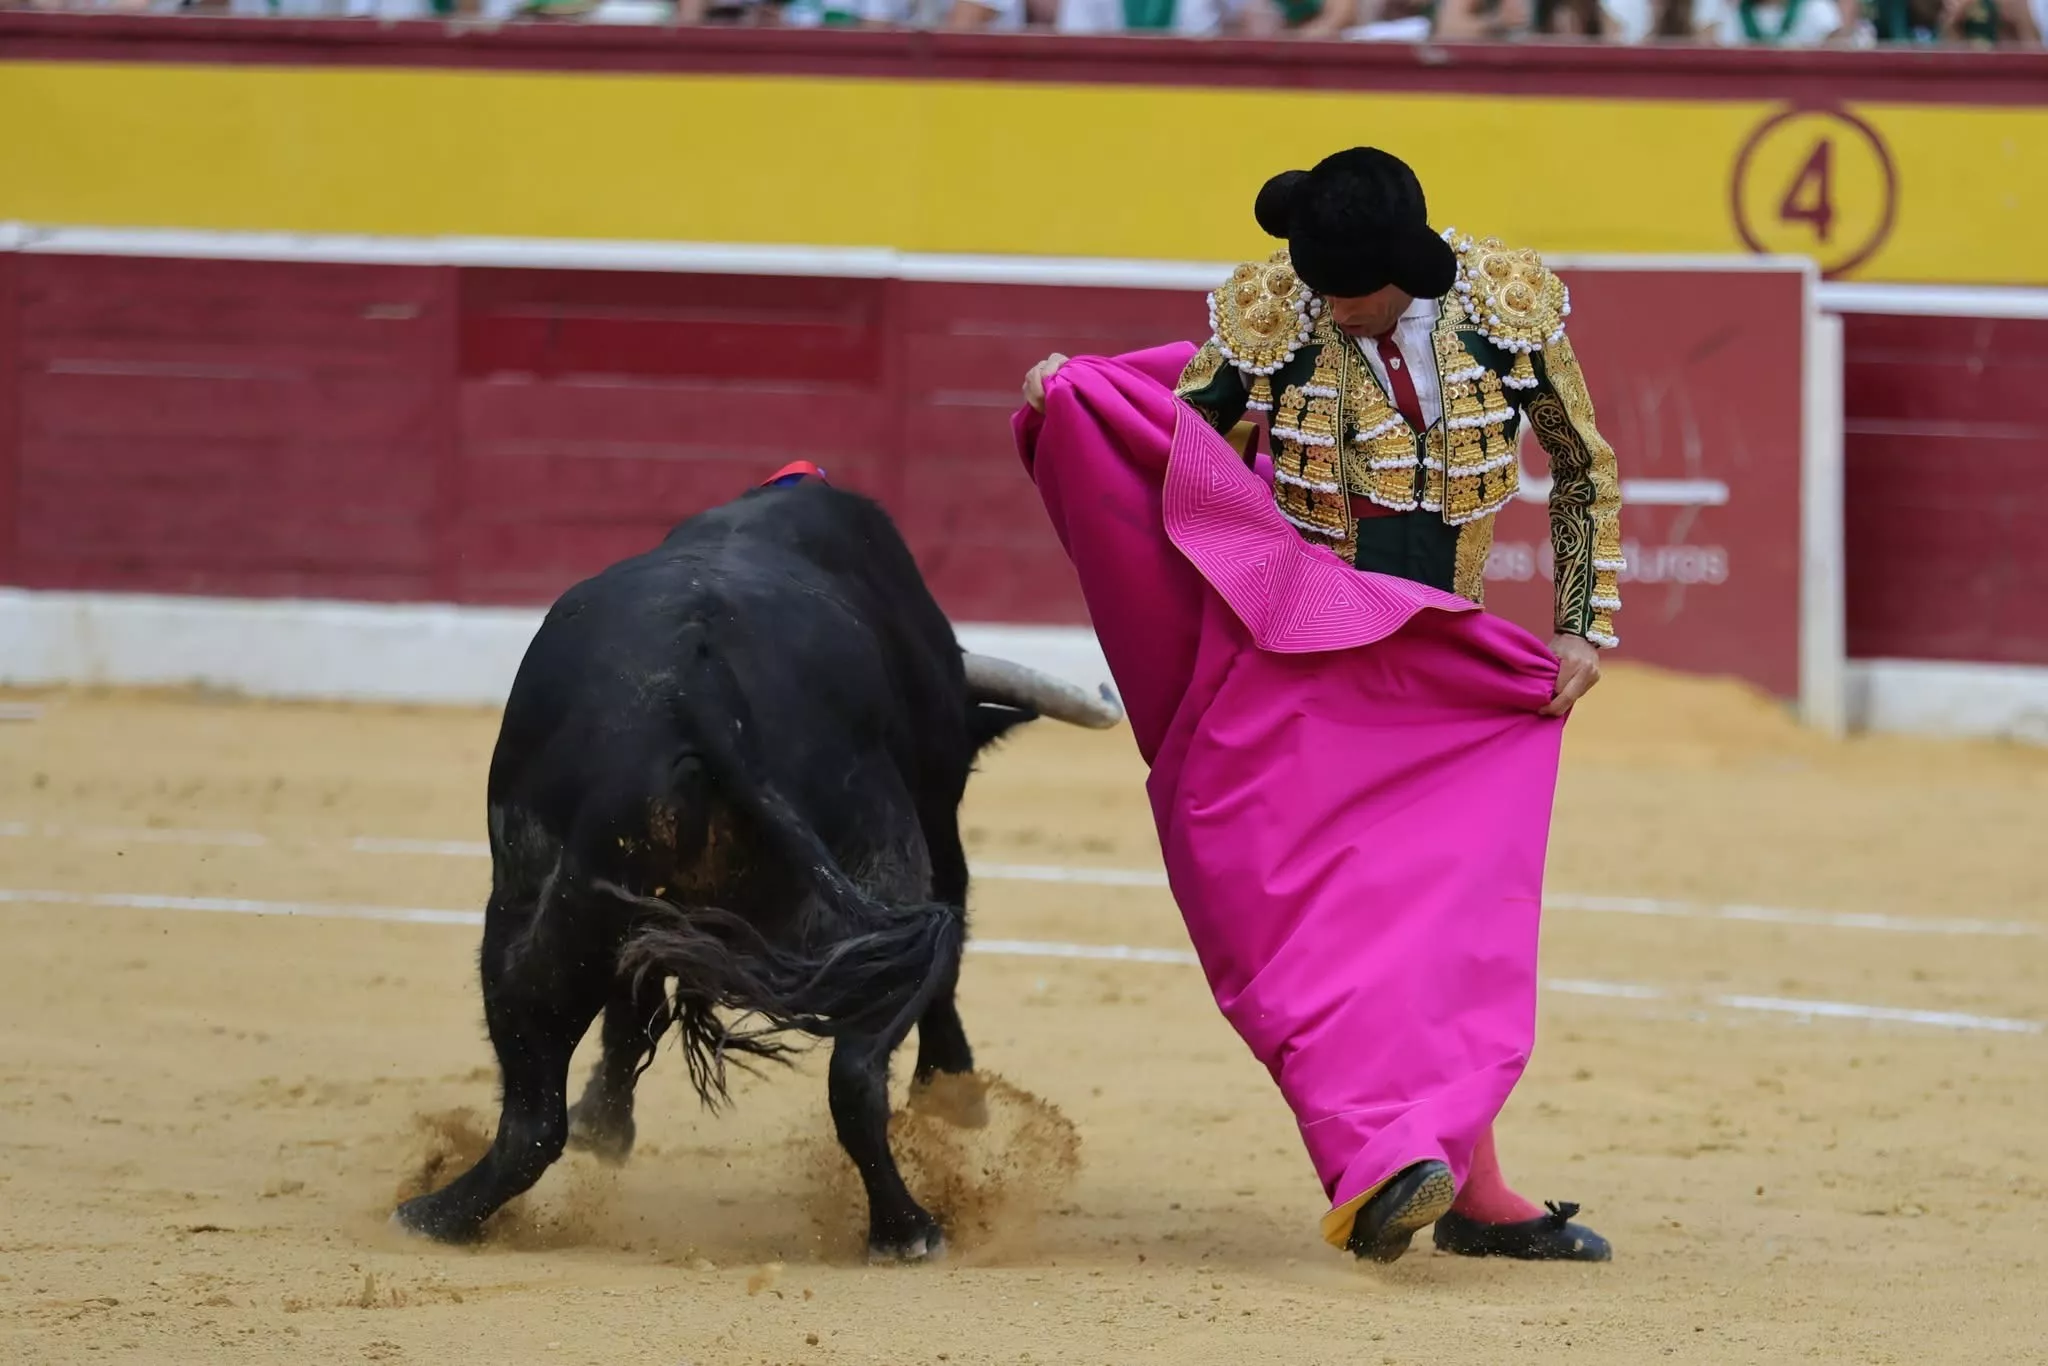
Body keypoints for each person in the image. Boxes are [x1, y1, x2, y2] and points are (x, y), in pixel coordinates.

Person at [1017, 146, 1617, 1264]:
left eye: (1355, 296)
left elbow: (1583, 467)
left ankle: (1456, 1183)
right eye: (1321, 292)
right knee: (1310, 924)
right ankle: (1388, 1160)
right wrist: (1076, 395)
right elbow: (1165, 444)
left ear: (1413, 270)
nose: (1334, 310)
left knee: (1453, 924)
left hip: (1443, 674)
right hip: (1303, 663)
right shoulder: (1268, 320)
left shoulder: (1506, 308)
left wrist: (1582, 619)